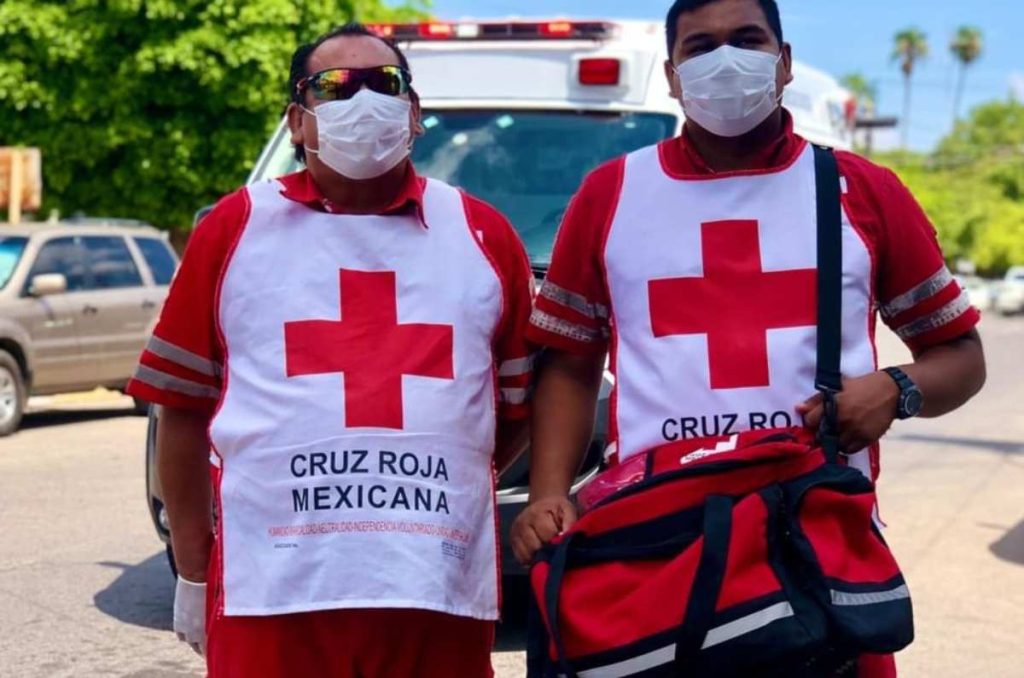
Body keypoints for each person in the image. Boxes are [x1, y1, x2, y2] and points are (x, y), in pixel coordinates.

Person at [511, 0, 987, 675]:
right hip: (655, 550)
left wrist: (898, 388)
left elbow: (962, 355)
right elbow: (571, 361)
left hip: (816, 550)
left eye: (746, 39)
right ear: (673, 76)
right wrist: (549, 493)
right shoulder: (611, 194)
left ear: (784, 63)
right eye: (699, 47)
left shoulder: (860, 190)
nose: (724, 60)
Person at [127, 23, 534, 678]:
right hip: (271, 597)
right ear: (298, 120)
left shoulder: (482, 233)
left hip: (433, 591)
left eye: (386, 84)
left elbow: (516, 409)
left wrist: (445, 477)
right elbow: (180, 409)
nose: (363, 100)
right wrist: (197, 572)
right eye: (335, 87)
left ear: (415, 112)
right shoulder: (234, 228)